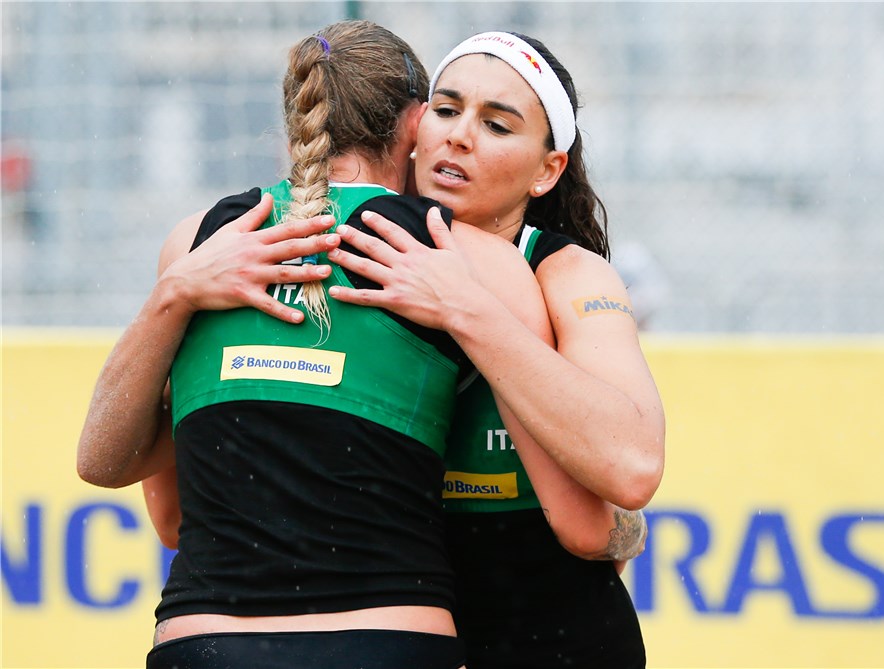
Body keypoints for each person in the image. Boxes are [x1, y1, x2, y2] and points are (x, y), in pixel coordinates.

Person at [76, 21, 617, 669]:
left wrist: (174, 295)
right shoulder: (470, 259)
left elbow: (146, 499)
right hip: (386, 636)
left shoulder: (201, 244)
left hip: (207, 639)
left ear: (295, 127)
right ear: (415, 125)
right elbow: (583, 524)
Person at [326, 32, 665, 669]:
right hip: (393, 638)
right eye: (446, 110)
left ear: (547, 171)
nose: (459, 136)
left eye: (496, 124)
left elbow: (632, 466)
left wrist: (467, 309)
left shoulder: (569, 275)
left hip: (552, 642)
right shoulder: (341, 252)